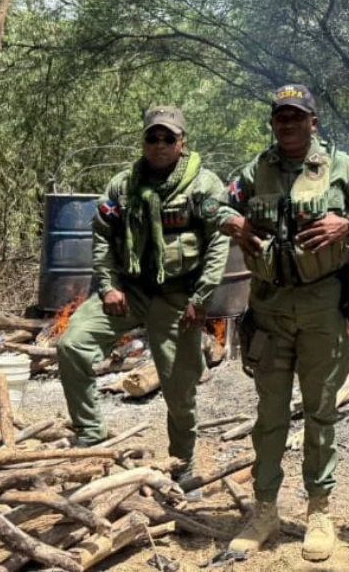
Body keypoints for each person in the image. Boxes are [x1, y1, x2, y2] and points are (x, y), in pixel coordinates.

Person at [217, 84, 349, 562]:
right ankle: (266, 511)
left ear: (313, 122)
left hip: (320, 307)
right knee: (270, 416)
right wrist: (233, 222)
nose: (288, 124)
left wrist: (346, 225)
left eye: (297, 117)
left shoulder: (337, 168)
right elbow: (215, 204)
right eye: (281, 117)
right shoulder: (257, 170)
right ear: (273, 122)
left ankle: (319, 511)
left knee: (319, 413)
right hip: (270, 308)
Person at [59, 106, 229, 489]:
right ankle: (91, 436)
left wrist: (201, 296)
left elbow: (219, 241)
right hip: (129, 291)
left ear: (182, 143)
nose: (159, 145)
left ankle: (181, 468)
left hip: (177, 297)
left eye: (168, 138)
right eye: (152, 137)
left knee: (179, 391)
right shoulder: (123, 186)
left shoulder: (203, 186)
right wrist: (108, 286)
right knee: (72, 345)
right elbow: (101, 235)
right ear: (144, 141)